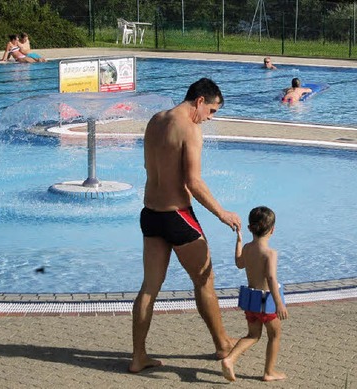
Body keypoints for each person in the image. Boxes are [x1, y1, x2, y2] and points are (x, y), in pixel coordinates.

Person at [130, 78, 241, 374]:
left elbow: (147, 166)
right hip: (177, 216)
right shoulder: (190, 129)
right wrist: (222, 213)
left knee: (149, 287)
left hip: (150, 213)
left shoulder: (155, 121)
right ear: (200, 100)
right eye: (212, 111)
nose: (210, 118)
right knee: (205, 279)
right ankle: (222, 344)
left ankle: (138, 356)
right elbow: (193, 181)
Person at [221, 206, 288, 382]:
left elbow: (239, 263)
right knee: (274, 336)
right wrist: (279, 303)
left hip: (251, 302)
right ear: (272, 229)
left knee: (253, 335)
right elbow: (272, 278)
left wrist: (238, 242)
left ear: (251, 228)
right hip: (267, 303)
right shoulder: (270, 253)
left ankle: (229, 359)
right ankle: (269, 372)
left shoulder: (248, 249)